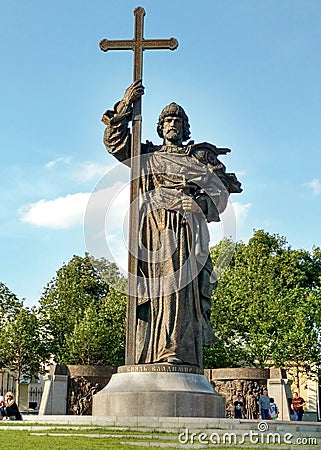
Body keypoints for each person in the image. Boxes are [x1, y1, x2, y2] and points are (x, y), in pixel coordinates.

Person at [102, 80, 242, 368]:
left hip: (184, 230)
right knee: (156, 291)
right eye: (167, 120)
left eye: (177, 120)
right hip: (152, 231)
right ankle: (151, 350)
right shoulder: (148, 157)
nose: (172, 124)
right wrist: (125, 105)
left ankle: (173, 348)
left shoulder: (197, 159)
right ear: (160, 126)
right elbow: (115, 143)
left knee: (177, 290)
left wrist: (200, 205)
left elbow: (221, 189)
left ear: (185, 127)